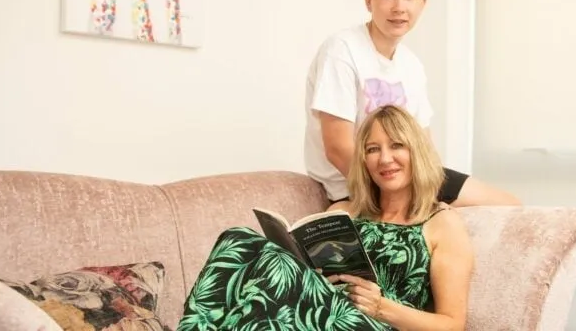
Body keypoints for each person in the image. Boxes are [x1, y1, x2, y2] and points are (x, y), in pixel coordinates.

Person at [177, 105, 475, 330]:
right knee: (239, 239)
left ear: (417, 153)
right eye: (373, 149)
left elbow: (452, 324)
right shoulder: (342, 212)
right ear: (364, 161)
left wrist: (381, 307)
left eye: (397, 145)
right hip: (318, 314)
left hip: (381, 323)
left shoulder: (442, 224)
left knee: (275, 272)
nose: (384, 159)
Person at [304, 0, 521, 209]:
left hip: (405, 179)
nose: (399, 7)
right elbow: (337, 148)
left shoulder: (411, 65)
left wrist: (428, 193)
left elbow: (423, 147)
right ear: (369, 0)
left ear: (422, 3)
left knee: (510, 205)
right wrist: (396, 198)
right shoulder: (342, 50)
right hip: (352, 185)